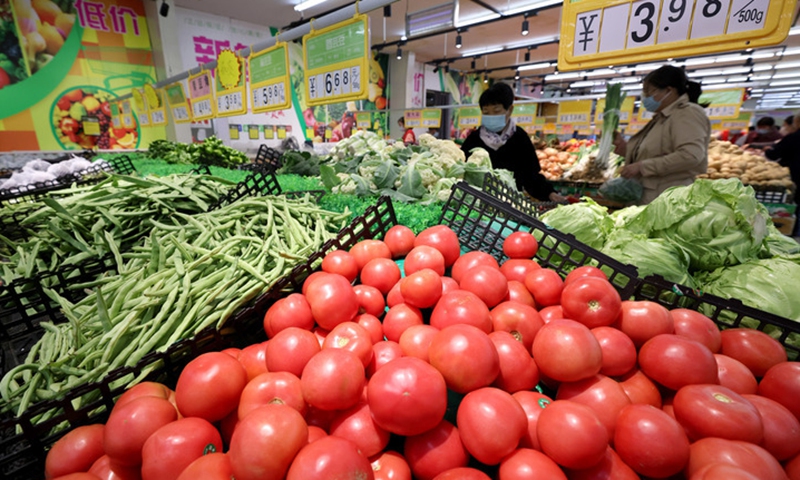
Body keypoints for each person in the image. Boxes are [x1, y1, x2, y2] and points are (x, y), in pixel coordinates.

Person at [613, 65, 711, 204]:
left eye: (648, 91)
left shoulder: (686, 113)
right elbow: (656, 151)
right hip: (652, 198)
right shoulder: (662, 117)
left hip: (668, 200)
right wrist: (624, 147)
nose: (645, 97)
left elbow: (690, 155)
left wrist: (642, 166)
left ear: (668, 90)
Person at [460, 83, 565, 202]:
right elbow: (460, 169)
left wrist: (549, 193)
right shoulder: (474, 139)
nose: (491, 116)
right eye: (486, 113)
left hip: (510, 204)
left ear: (509, 110)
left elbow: (531, 176)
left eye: (496, 111)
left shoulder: (520, 138)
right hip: (476, 202)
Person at [764, 113, 800, 235]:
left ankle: (794, 232)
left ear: (797, 122)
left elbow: (774, 154)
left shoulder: (794, 137)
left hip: (796, 176)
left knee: (797, 205)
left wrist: (768, 150)